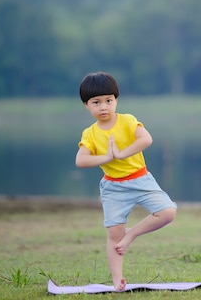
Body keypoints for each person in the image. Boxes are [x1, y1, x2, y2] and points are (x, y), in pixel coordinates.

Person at [75, 71, 177, 291]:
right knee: (114, 234)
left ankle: (131, 235)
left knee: (168, 212)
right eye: (96, 102)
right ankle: (117, 279)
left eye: (109, 101)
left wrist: (121, 153)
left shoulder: (128, 120)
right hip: (113, 188)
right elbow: (81, 160)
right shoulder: (90, 133)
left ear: (116, 100)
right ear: (86, 105)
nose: (104, 107)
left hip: (141, 180)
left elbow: (146, 139)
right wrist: (106, 157)